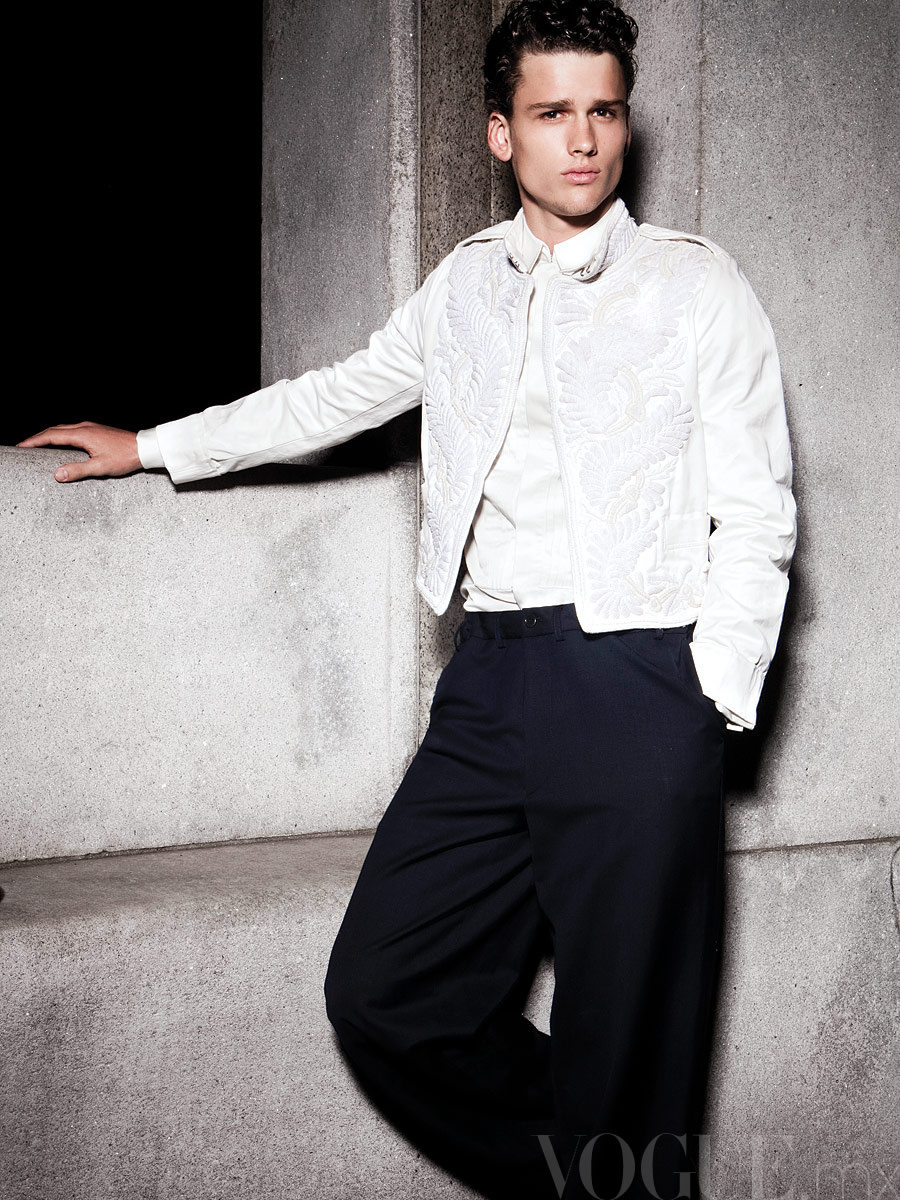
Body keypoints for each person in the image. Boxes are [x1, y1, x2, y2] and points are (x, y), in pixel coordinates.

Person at [19, 1, 797, 1196]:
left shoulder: (695, 284)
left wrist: (707, 697)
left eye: (604, 110)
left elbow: (759, 510)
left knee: (633, 1041)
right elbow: (332, 396)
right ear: (500, 133)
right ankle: (614, 1167)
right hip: (491, 681)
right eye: (552, 113)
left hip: (640, 681)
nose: (583, 139)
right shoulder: (463, 285)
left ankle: (629, 1155)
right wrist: (154, 446)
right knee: (384, 990)